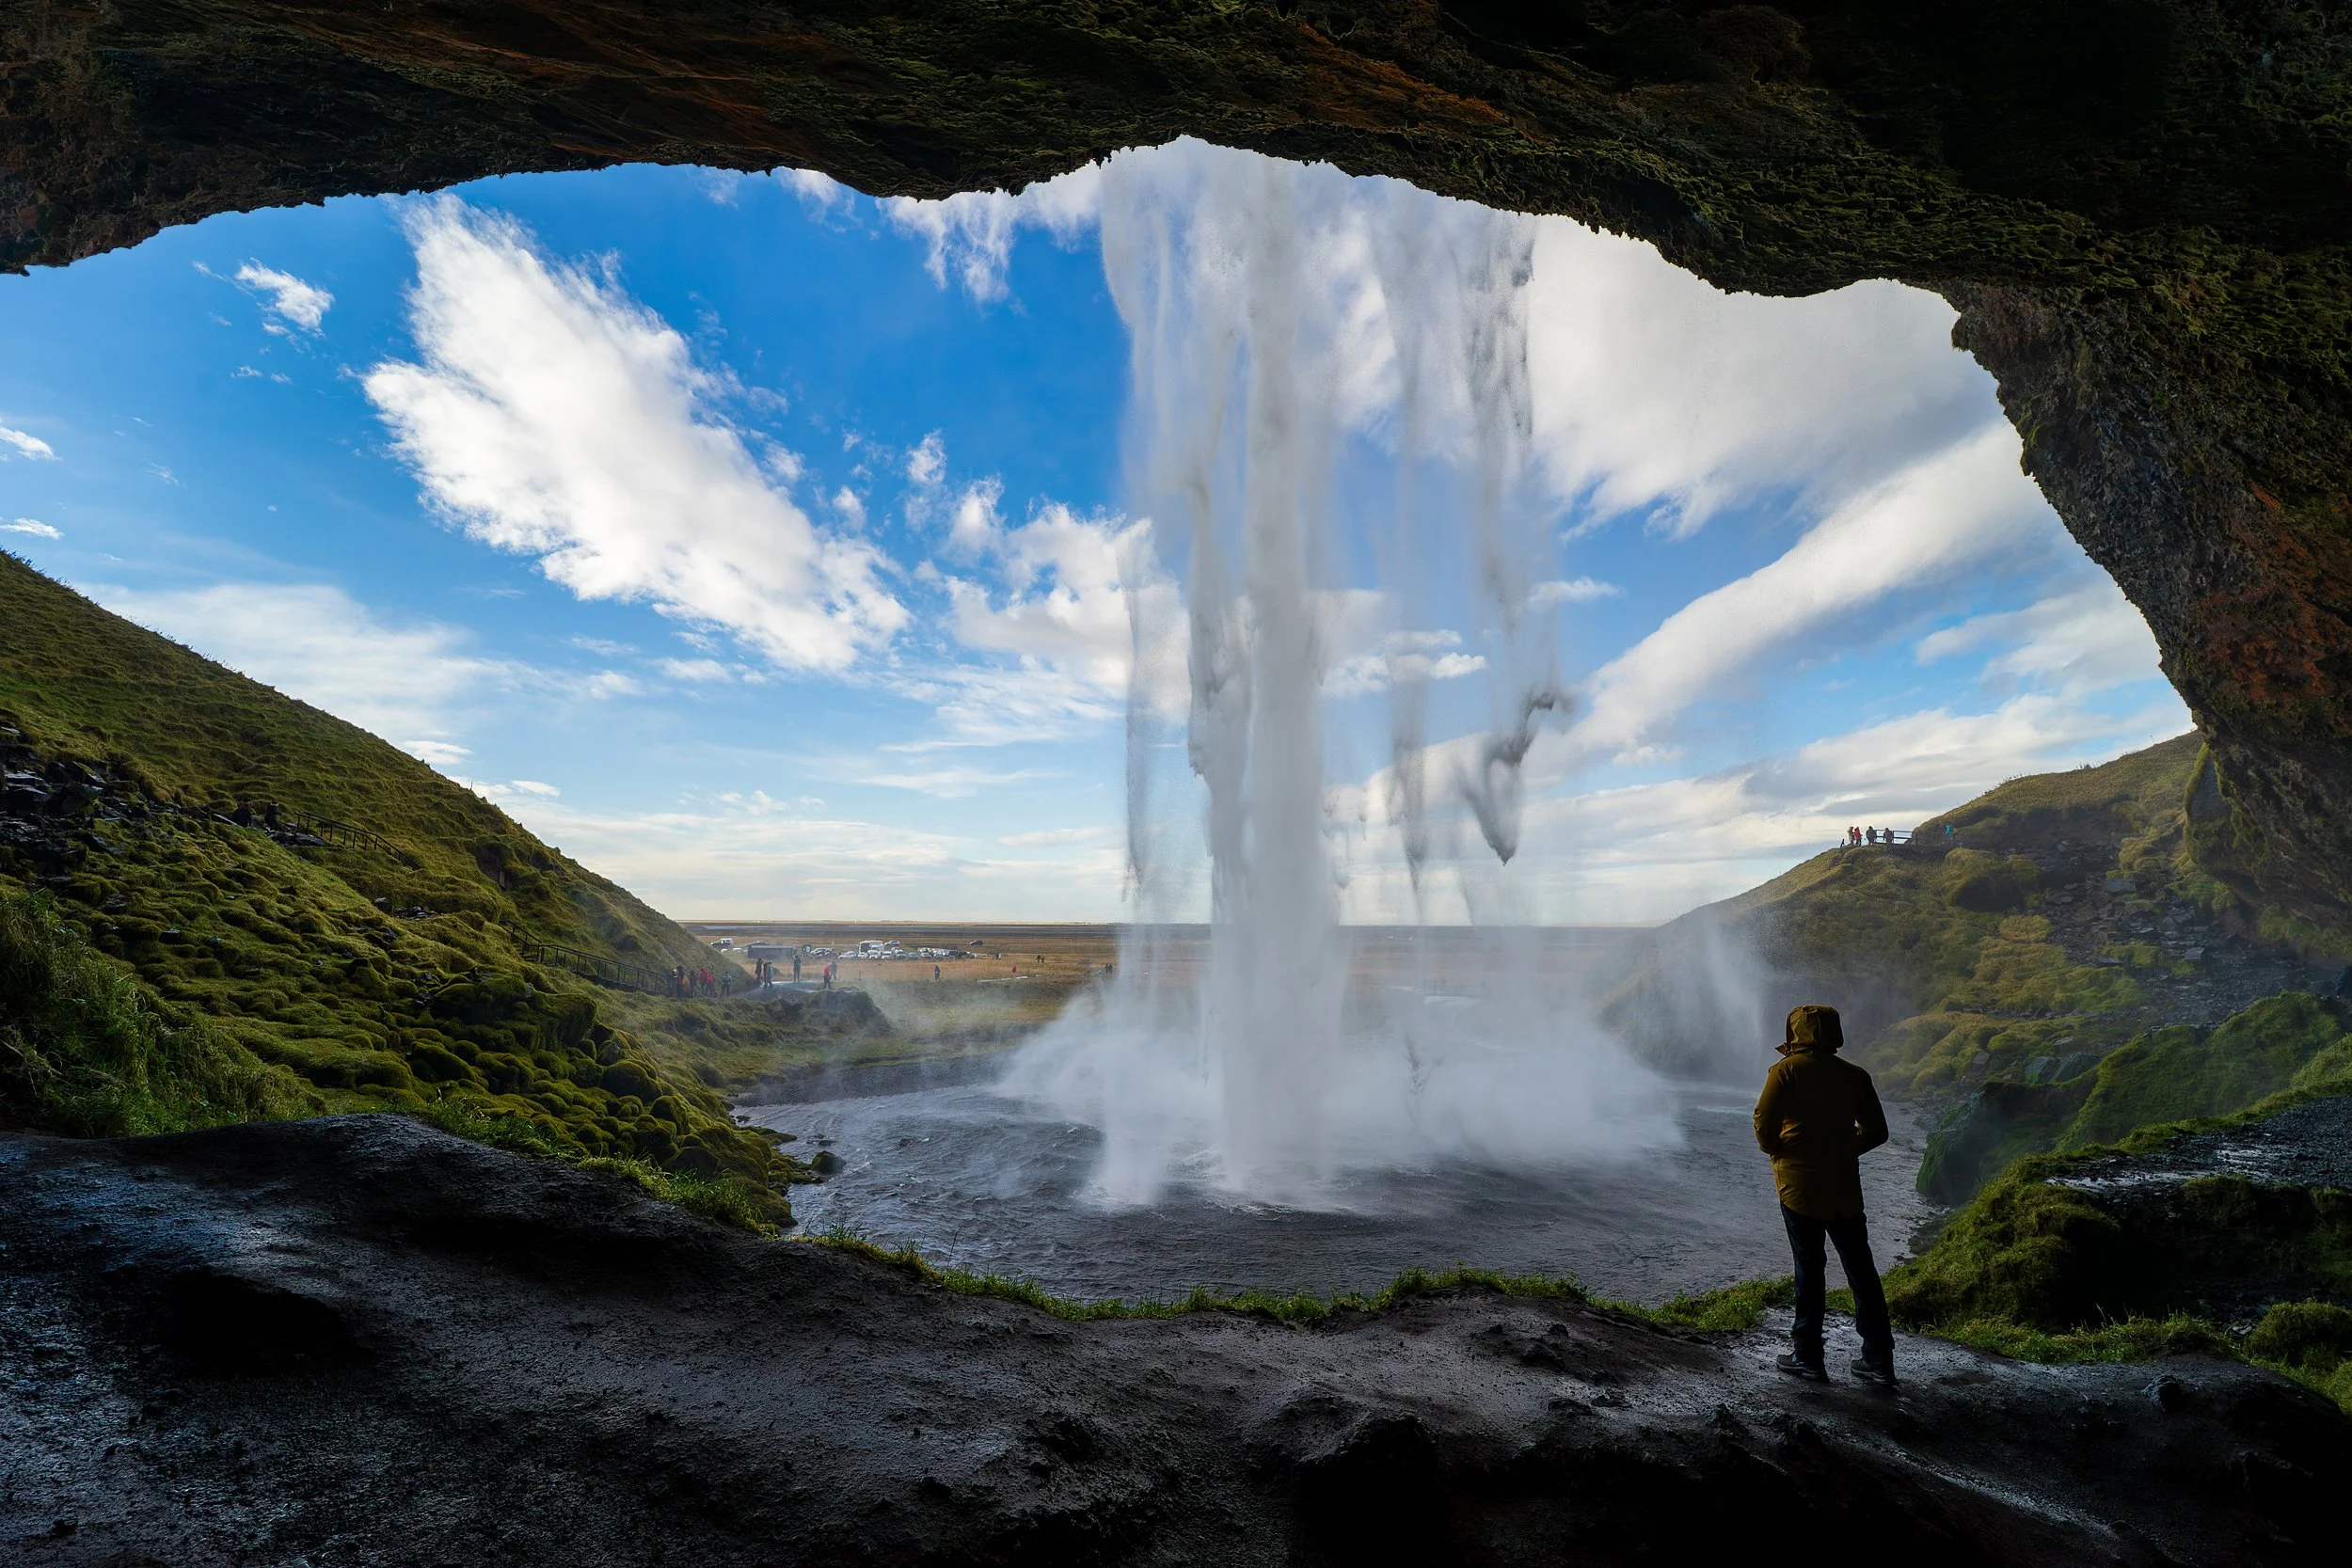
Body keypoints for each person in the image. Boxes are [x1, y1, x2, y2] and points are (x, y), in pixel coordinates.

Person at [1753, 1004, 1897, 1386]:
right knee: (1861, 1270)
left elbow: (1763, 1126)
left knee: (1809, 1270)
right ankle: (1880, 1359)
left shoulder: (1785, 1072)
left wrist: (1782, 1150)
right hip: (1845, 1189)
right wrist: (1844, 1150)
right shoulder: (1854, 1076)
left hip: (1799, 1189)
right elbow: (1877, 1131)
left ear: (1794, 1031)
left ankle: (1808, 1358)